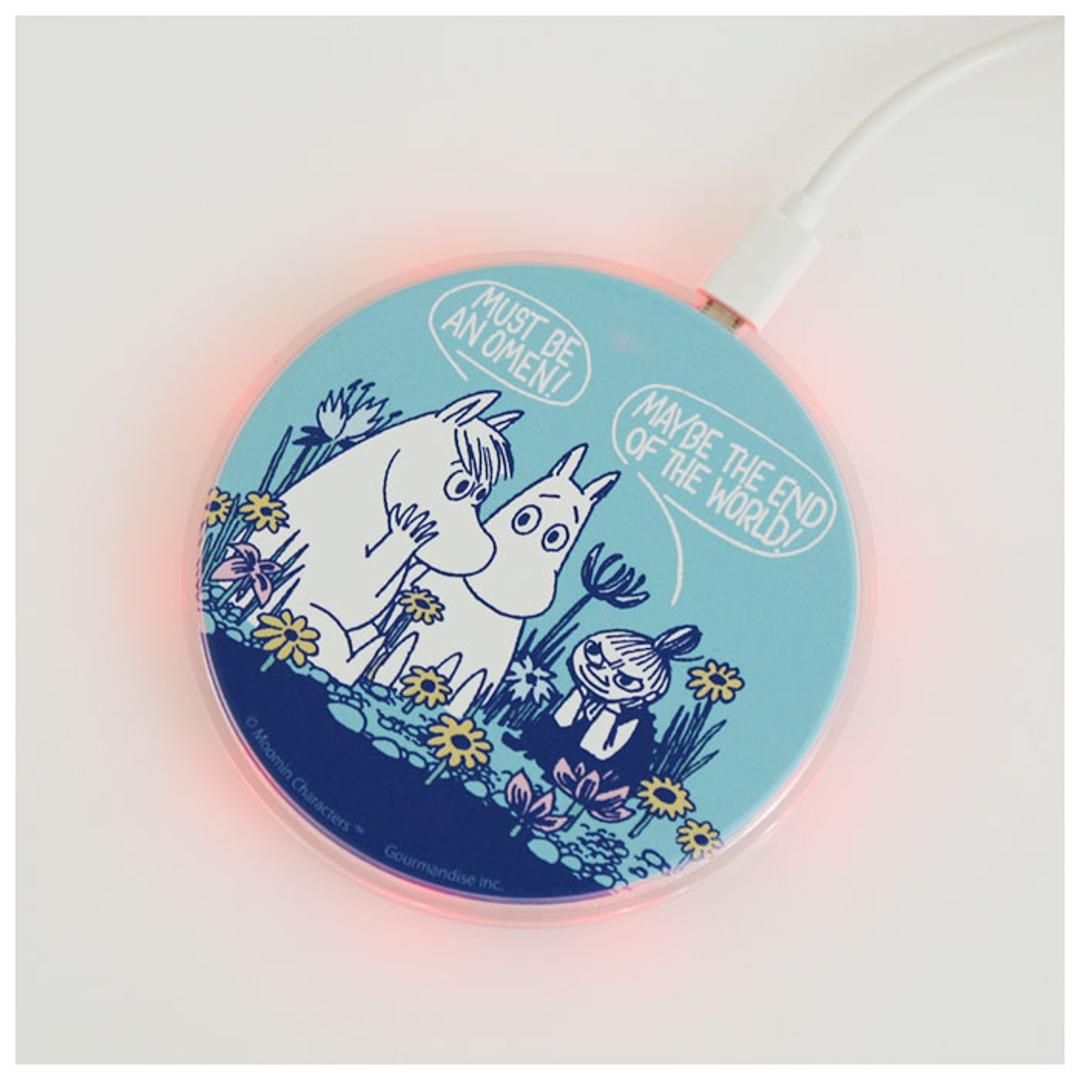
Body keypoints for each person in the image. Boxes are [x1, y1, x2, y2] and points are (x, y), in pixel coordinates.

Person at [524, 624, 701, 789]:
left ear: (649, 696)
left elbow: (594, 750)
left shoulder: (632, 719)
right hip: (559, 756)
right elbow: (558, 724)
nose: (601, 674)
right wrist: (578, 694)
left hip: (596, 773)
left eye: (624, 680)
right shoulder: (585, 694)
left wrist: (610, 711)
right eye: (594, 653)